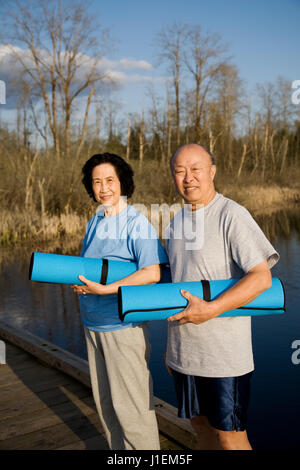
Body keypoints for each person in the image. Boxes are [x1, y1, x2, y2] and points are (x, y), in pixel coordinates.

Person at [164, 143, 279, 450]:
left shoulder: (232, 214)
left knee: (230, 437)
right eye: (180, 171)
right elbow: (176, 283)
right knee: (200, 428)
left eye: (196, 169)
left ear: (212, 172)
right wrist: (170, 349)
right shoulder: (175, 222)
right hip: (183, 353)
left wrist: (211, 309)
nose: (188, 178)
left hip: (224, 358)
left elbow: (261, 277)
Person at [72, 152, 168, 450]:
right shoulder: (96, 220)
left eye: (109, 180)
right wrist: (83, 285)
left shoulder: (136, 222)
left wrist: (108, 289)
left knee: (133, 413)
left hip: (122, 327)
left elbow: (152, 273)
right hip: (93, 325)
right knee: (107, 408)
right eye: (96, 182)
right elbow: (94, 269)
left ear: (123, 182)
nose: (103, 188)